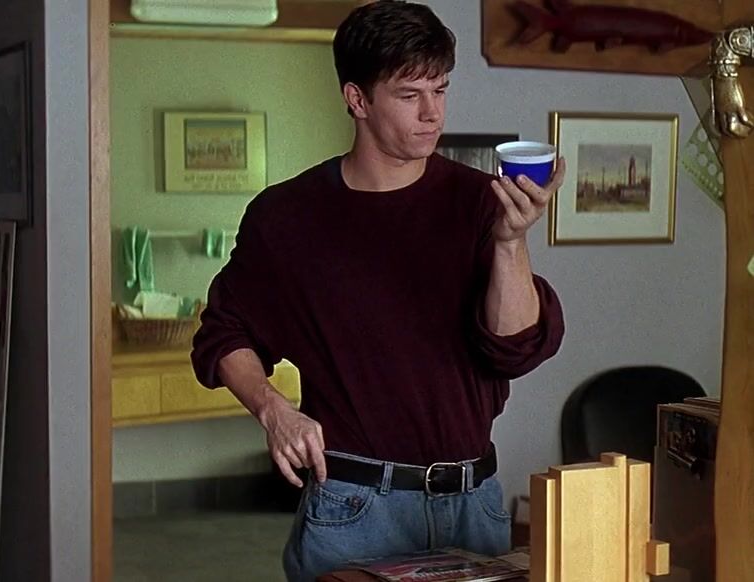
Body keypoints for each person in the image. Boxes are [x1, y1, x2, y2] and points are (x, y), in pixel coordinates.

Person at [188, 2, 567, 581]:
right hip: (355, 507)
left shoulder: (479, 201)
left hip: (474, 502)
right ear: (357, 100)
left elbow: (514, 348)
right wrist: (273, 409)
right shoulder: (288, 216)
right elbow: (224, 331)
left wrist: (510, 241)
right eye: (410, 95)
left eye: (440, 90)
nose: (432, 113)